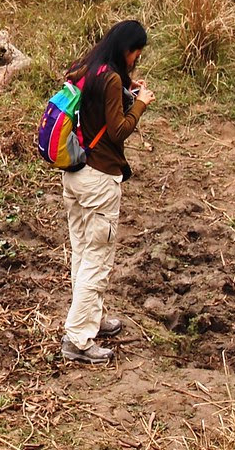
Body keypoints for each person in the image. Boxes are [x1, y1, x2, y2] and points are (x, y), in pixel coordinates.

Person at [59, 20, 155, 365]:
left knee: (83, 253)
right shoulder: (111, 79)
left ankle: (90, 321)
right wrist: (140, 103)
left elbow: (94, 107)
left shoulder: (84, 68)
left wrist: (127, 87)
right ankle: (78, 340)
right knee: (97, 261)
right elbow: (117, 131)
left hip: (74, 172)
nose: (135, 60)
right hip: (100, 179)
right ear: (125, 49)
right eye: (135, 55)